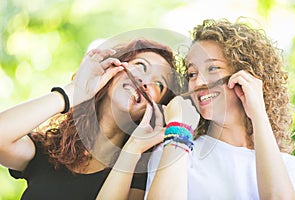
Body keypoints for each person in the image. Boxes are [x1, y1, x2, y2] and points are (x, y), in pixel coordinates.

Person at [0, 38, 181, 200]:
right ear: (114, 68)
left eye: (159, 84)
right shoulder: (51, 149)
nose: (145, 81)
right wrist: (75, 90)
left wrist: (132, 149)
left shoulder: (140, 172)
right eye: (141, 66)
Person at [145, 18, 295, 199]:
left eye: (212, 68)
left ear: (245, 75)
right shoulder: (175, 150)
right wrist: (178, 129)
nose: (198, 83)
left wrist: (259, 114)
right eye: (192, 74)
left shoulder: (290, 167)